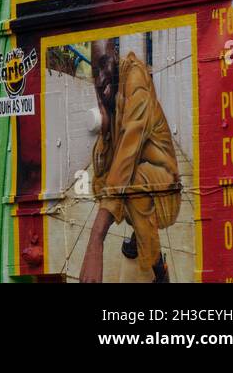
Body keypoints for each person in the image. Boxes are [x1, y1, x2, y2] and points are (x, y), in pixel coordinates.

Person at [79, 39, 181, 283]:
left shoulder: (135, 81)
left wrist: (96, 240)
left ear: (115, 54)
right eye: (95, 72)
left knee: (131, 186)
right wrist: (105, 128)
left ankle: (161, 271)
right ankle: (140, 236)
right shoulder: (113, 89)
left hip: (166, 188)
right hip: (143, 175)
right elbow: (103, 172)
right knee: (106, 185)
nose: (100, 78)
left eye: (104, 64)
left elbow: (127, 155)